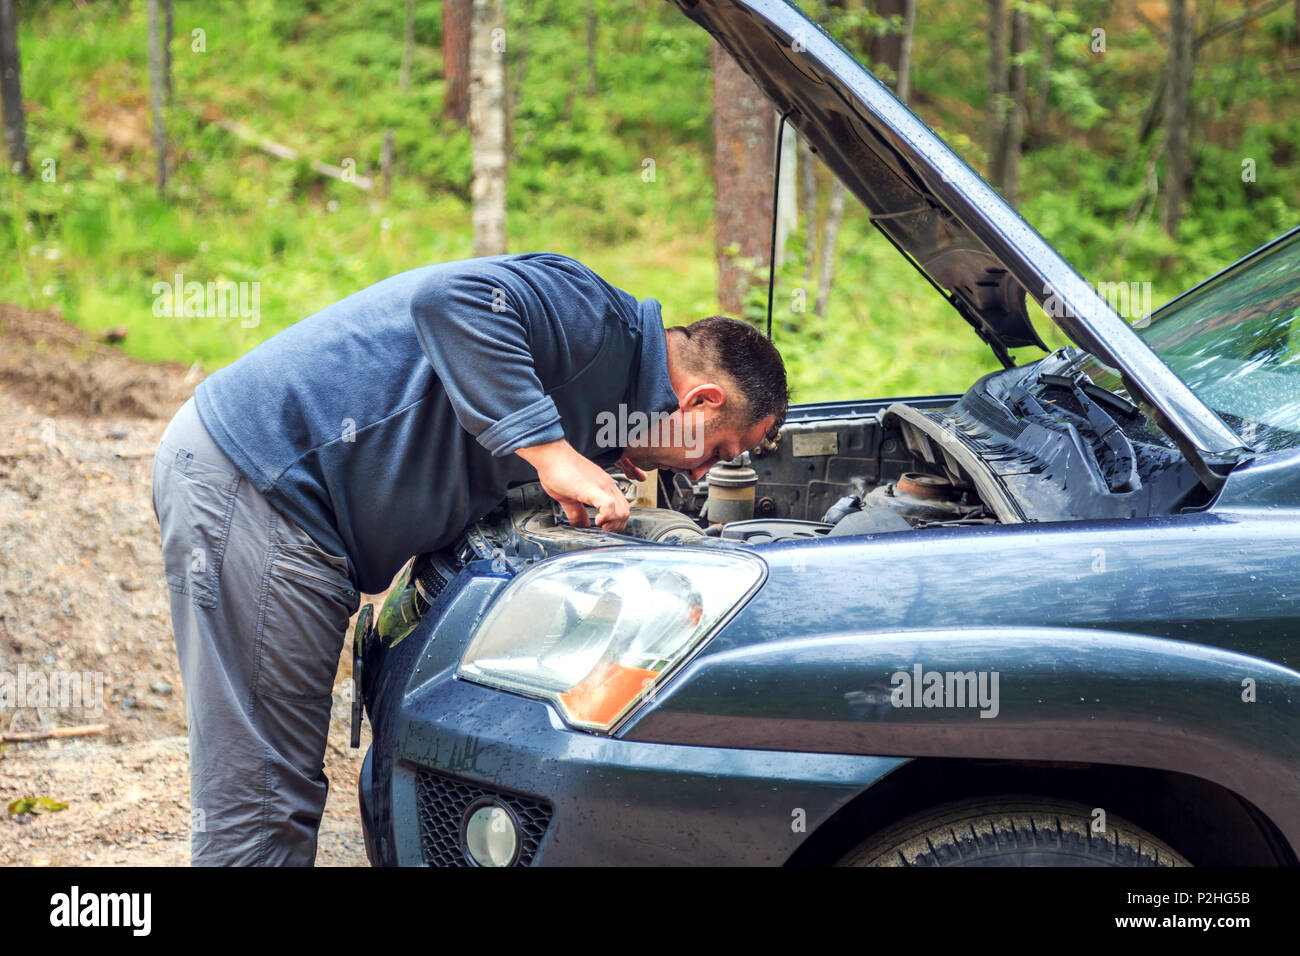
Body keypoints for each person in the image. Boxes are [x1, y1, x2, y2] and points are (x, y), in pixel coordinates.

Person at [150, 251, 789, 865]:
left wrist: (579, 451)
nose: (705, 471)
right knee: (263, 798)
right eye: (718, 450)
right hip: (262, 483)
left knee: (277, 790)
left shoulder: (611, 391)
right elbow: (449, 301)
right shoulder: (597, 319)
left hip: (281, 495)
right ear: (699, 402)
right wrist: (550, 452)